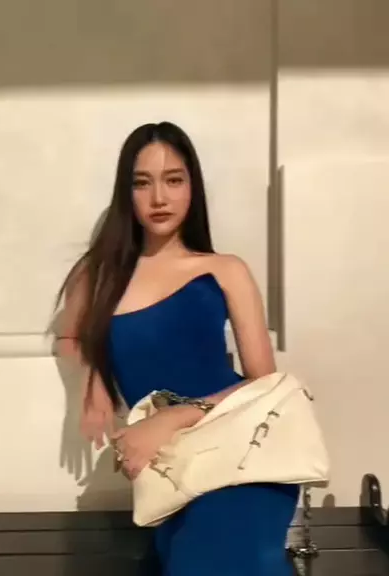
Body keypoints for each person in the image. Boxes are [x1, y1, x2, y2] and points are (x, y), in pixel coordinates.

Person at [56, 121, 299, 575]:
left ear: (192, 187)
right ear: (126, 192)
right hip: (170, 469)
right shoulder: (99, 274)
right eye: (142, 183)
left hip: (242, 453)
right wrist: (93, 384)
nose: (159, 198)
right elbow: (68, 337)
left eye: (174, 180)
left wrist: (171, 418)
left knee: (233, 550)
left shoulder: (224, 270)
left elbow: (264, 385)